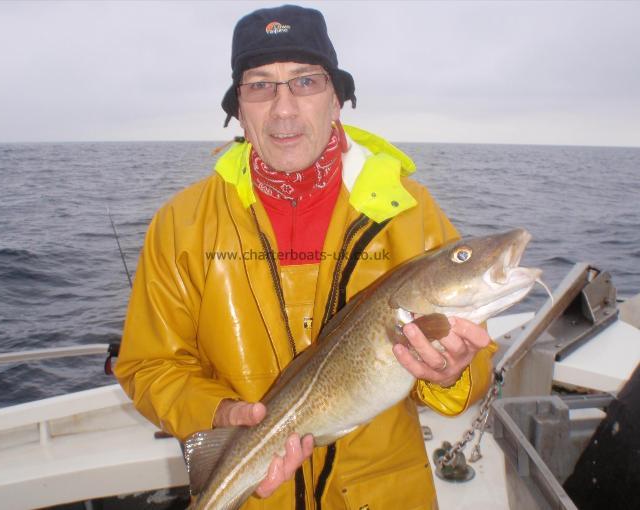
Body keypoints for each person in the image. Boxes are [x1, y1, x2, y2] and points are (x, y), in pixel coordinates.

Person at [115, 5, 495, 509]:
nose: (284, 108)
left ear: (336, 99)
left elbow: (466, 377)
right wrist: (222, 415)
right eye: (260, 85)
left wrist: (453, 372)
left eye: (305, 81)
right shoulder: (179, 225)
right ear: (238, 107)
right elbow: (149, 365)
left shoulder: (408, 211)